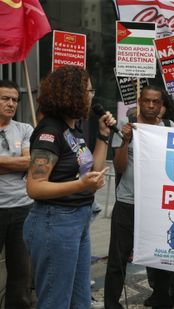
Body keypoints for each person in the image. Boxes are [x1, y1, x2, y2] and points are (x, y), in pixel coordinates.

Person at [23, 65, 115, 308]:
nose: (92, 95)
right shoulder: (50, 131)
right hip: (55, 221)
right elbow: (35, 187)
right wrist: (79, 184)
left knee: (80, 300)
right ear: (72, 93)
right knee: (56, 301)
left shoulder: (72, 129)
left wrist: (104, 135)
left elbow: (90, 172)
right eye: (88, 90)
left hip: (78, 220)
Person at [104, 85, 174, 309]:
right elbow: (119, 165)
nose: (151, 106)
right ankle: (111, 303)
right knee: (117, 259)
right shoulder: (125, 127)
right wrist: (125, 141)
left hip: (157, 205)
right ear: (140, 102)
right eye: (147, 101)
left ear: (162, 105)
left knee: (160, 256)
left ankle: (161, 299)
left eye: (156, 102)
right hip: (128, 202)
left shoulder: (170, 128)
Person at [0, 80, 34, 308]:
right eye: (5, 98)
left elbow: (31, 162)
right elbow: (22, 162)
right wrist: (18, 162)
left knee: (21, 271)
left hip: (23, 208)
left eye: (14, 99)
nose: (11, 103)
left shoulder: (25, 129)